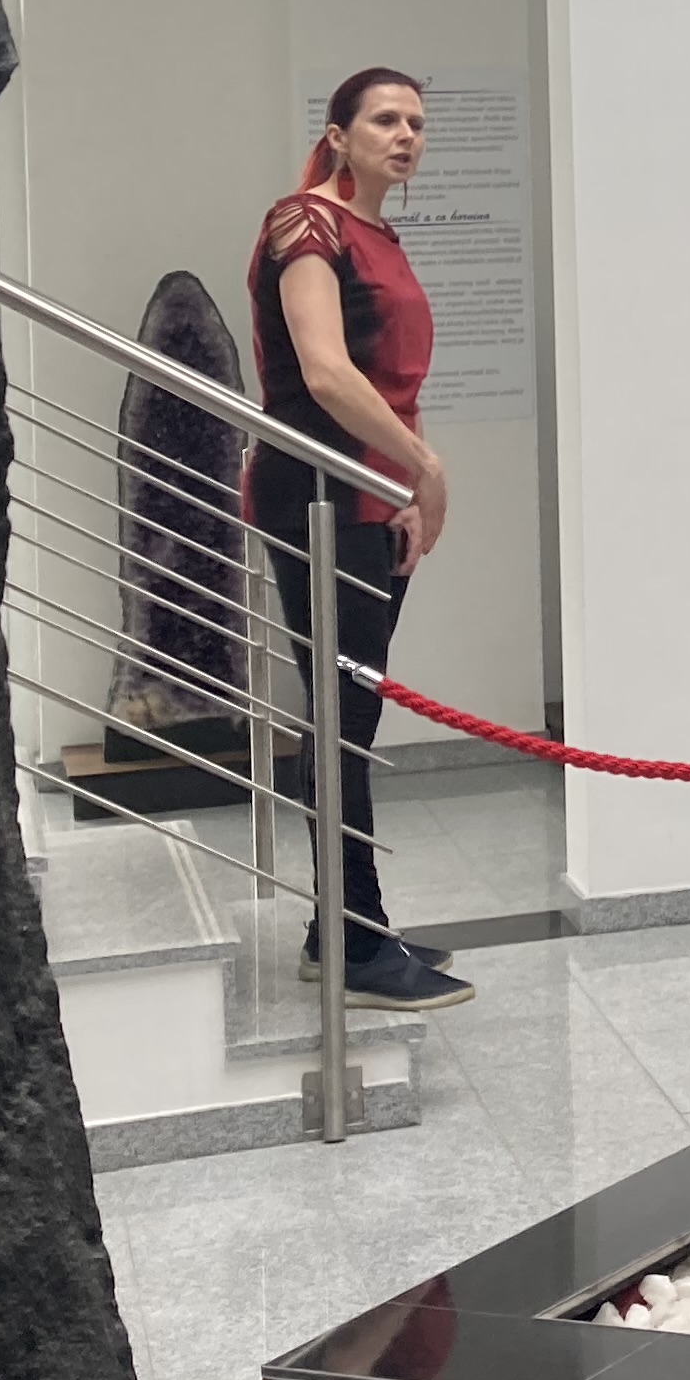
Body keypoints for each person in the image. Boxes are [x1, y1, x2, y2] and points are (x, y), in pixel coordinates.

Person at [247, 67, 467, 1011]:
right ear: (338, 135)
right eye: (384, 120)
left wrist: (408, 487)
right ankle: (357, 943)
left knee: (353, 715)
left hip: (373, 499)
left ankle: (339, 929)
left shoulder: (378, 233)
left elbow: (391, 385)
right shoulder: (306, 224)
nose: (405, 134)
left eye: (415, 122)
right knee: (344, 718)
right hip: (317, 496)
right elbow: (327, 376)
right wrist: (425, 467)